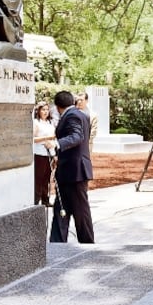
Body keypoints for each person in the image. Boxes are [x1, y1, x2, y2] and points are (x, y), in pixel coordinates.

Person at [50, 90, 95, 243]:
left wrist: (57, 144)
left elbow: (77, 136)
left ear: (57, 106)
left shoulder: (73, 116)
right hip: (68, 170)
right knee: (61, 209)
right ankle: (57, 243)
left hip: (75, 171)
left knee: (80, 211)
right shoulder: (81, 114)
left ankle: (87, 243)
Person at [32, 102, 56, 206]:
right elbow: (33, 139)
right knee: (39, 177)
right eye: (43, 110)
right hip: (39, 153)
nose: (45, 112)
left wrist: (54, 152)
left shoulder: (50, 123)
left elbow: (54, 137)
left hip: (49, 153)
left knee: (47, 177)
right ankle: (36, 200)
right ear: (38, 111)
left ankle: (45, 200)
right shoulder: (36, 122)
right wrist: (47, 138)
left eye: (47, 109)